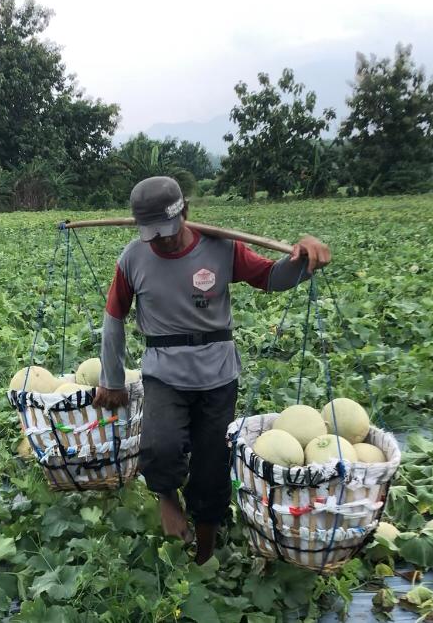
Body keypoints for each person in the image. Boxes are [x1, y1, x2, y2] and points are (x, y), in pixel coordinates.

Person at [94, 175, 331, 565]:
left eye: (168, 231)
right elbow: (113, 316)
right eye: (153, 234)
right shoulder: (133, 258)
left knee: (211, 466)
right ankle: (167, 498)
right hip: (164, 373)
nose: (163, 241)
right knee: (160, 445)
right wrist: (112, 379)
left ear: (185, 212)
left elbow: (271, 278)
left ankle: (204, 545)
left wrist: (303, 263)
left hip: (217, 375)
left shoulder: (222, 249)